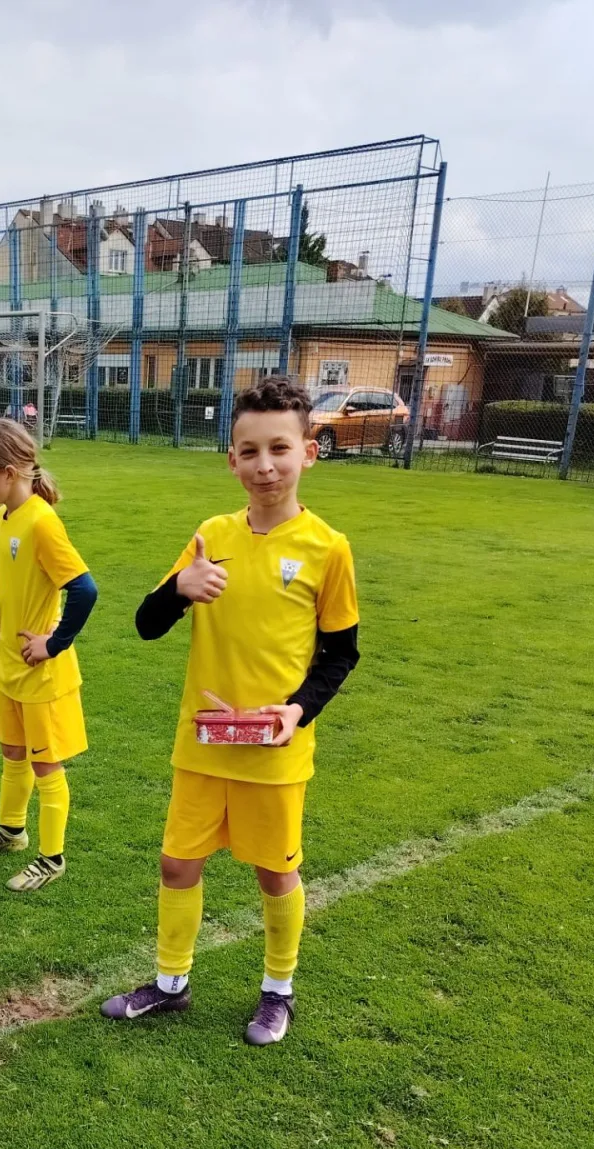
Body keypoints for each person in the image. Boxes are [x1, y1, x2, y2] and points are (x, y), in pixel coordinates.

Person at [101, 376, 360, 1046]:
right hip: (204, 741)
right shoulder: (211, 536)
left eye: (279, 448)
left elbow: (341, 653)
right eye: (249, 451)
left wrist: (297, 712)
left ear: (309, 452)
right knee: (176, 864)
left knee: (275, 871)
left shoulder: (327, 548)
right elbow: (146, 624)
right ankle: (171, 984)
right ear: (232, 460)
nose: (264, 465)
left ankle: (278, 991)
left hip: (273, 748)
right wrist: (180, 589)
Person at [0, 419, 97, 891]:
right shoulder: (4, 516)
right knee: (13, 751)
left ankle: (52, 858)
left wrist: (53, 644)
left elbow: (84, 589)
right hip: (9, 663)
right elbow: (16, 577)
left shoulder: (41, 521)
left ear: (9, 472)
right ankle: (10, 831)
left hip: (41, 672)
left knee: (45, 765)